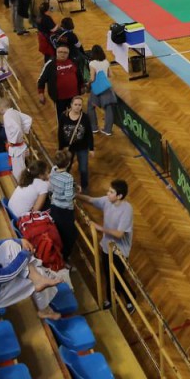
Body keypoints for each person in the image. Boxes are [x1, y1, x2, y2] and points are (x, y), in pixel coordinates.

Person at [78, 180, 135, 312]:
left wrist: (99, 228)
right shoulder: (107, 201)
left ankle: (131, 299)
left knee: (117, 277)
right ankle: (111, 299)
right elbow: (91, 200)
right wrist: (75, 195)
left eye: (111, 192)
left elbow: (119, 234)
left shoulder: (127, 210)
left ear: (119, 196)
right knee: (108, 275)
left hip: (120, 250)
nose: (107, 193)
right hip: (106, 246)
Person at [58, 94, 94, 190]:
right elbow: (60, 133)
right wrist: (60, 148)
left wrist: (91, 148)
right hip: (68, 147)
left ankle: (84, 187)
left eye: (79, 105)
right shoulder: (63, 116)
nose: (77, 107)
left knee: (83, 169)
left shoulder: (85, 117)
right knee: (66, 167)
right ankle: (64, 185)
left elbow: (89, 134)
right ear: (71, 105)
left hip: (82, 147)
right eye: (75, 104)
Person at [38, 44, 85, 115]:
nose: (62, 54)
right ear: (56, 52)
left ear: (68, 53)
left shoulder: (73, 61)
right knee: (62, 116)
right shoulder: (50, 64)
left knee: (77, 115)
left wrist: (82, 86)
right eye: (60, 52)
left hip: (74, 96)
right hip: (59, 99)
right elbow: (41, 79)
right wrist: (41, 93)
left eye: (65, 52)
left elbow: (79, 75)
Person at [87, 45, 118, 136]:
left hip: (96, 89)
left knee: (90, 106)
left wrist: (88, 83)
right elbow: (110, 75)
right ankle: (108, 130)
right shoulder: (106, 62)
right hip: (106, 88)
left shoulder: (92, 63)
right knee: (108, 108)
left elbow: (92, 78)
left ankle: (94, 128)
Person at [2, 105, 33, 180]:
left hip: (17, 148)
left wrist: (13, 141)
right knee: (21, 167)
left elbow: (17, 129)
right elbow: (28, 119)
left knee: (19, 170)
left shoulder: (7, 115)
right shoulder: (14, 112)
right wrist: (23, 131)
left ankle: (22, 182)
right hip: (20, 145)